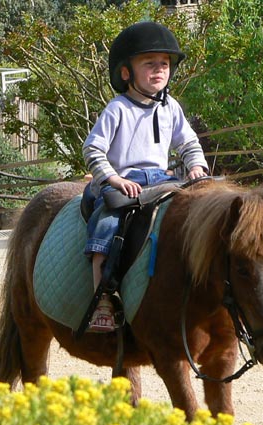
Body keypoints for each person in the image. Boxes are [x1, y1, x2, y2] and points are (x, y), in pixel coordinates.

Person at [84, 21, 208, 333]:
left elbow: (189, 143)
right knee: (107, 226)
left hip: (161, 180)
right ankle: (102, 300)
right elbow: (93, 150)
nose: (159, 70)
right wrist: (112, 179)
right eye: (149, 64)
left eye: (164, 64)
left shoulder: (171, 108)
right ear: (126, 72)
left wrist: (196, 167)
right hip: (123, 183)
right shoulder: (117, 109)